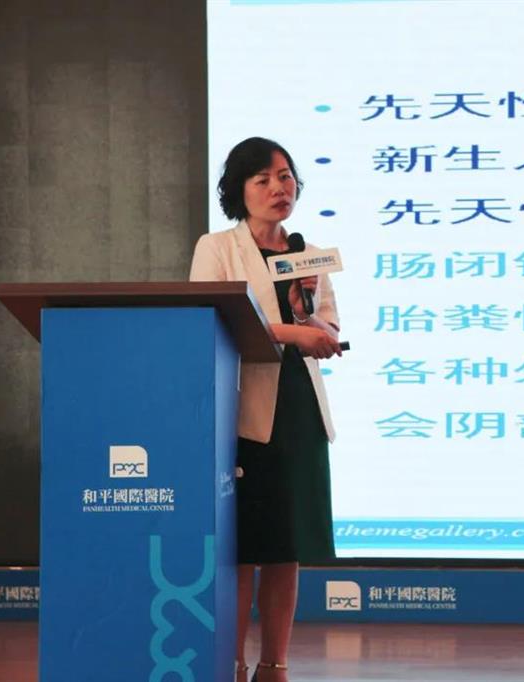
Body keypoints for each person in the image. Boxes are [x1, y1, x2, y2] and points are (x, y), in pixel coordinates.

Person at [189, 137, 342, 682]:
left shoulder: (308, 254)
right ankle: (230, 663)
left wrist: (306, 317)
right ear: (240, 190)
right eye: (264, 180)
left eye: (286, 176)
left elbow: (328, 330)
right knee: (243, 545)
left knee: (286, 545)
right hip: (242, 411)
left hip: (299, 407)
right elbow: (211, 318)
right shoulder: (217, 248)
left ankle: (274, 664)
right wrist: (292, 332)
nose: (279, 188)